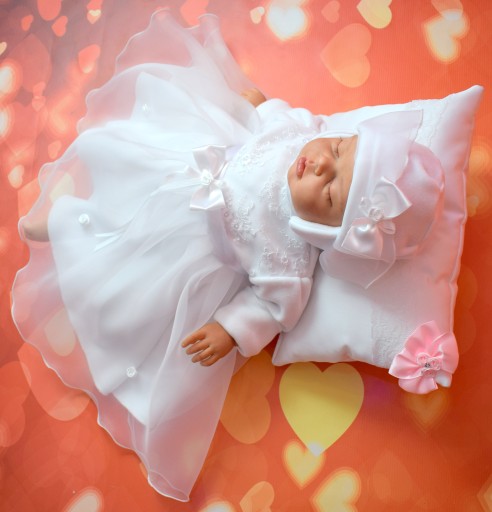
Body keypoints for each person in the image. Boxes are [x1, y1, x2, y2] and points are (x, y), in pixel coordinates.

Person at [11, 10, 442, 501]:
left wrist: (230, 330)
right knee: (123, 161)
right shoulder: (298, 137)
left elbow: (274, 308)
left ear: (331, 232)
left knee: (119, 260)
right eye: (341, 148)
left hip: (180, 248)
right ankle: (77, 211)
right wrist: (257, 108)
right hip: (182, 166)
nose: (322, 164)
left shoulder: (292, 258)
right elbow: (276, 117)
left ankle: (65, 224)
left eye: (329, 194)